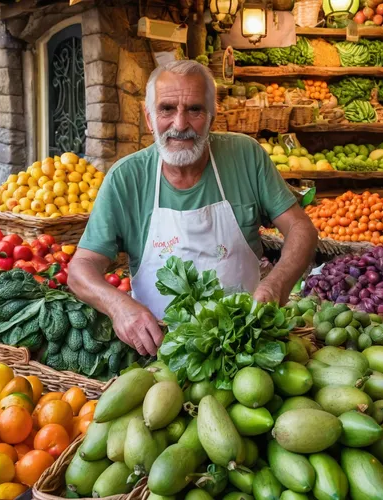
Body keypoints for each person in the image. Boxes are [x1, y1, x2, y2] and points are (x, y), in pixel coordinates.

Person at [68, 60, 317, 357]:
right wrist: (119, 306)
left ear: (212, 116)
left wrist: (277, 285)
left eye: (195, 110)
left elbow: (301, 227)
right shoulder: (126, 178)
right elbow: (81, 269)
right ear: (149, 119)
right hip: (157, 352)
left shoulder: (246, 156)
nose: (180, 124)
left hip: (245, 345)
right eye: (167, 109)